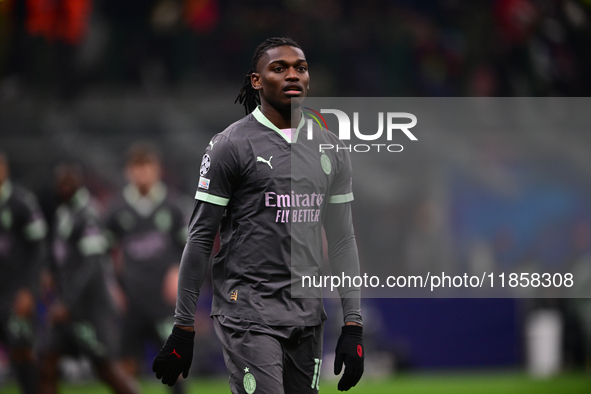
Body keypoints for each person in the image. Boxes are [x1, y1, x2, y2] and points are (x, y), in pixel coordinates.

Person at [152, 37, 364, 393]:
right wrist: (183, 326)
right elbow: (201, 237)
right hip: (249, 313)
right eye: (279, 68)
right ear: (256, 80)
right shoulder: (230, 146)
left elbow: (342, 239)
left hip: (308, 313)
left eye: (300, 68)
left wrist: (353, 325)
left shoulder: (332, 147)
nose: (293, 75)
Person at [39, 163, 138, 394]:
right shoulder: (63, 213)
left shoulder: (88, 213)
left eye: (68, 183)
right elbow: (62, 257)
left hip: (90, 308)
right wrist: (50, 275)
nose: (64, 188)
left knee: (105, 369)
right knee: (46, 363)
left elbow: (91, 266)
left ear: (79, 183)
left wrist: (67, 303)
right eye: (60, 183)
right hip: (66, 310)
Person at [105, 143, 187, 389]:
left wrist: (177, 273)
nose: (142, 173)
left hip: (163, 298)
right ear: (128, 172)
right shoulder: (117, 208)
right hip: (131, 297)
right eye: (136, 167)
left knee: (174, 361)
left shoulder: (172, 206)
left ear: (157, 170)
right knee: (127, 365)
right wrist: (112, 285)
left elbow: (189, 248)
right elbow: (103, 252)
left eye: (147, 167)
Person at [0, 153, 47, 394]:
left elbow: (38, 248)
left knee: (22, 353)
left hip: (15, 294)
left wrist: (29, 289)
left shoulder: (21, 202)